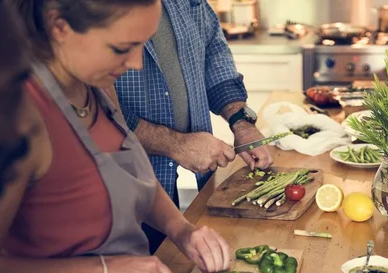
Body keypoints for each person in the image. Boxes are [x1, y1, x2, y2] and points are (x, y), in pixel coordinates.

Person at [0, 0, 231, 273]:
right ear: (59, 26)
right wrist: (102, 270)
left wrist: (181, 230)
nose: (135, 64)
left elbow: (133, 178)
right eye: (121, 48)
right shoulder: (16, 117)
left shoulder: (97, 86)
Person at [115, 0, 274, 251]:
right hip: (123, 191)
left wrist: (240, 121)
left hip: (161, 202)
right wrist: (175, 143)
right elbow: (103, 113)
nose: (135, 63)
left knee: (166, 265)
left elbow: (213, 51)